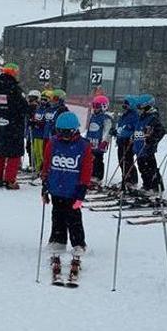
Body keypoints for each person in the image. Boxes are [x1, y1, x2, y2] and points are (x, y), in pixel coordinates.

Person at [42, 112, 94, 285]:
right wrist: (45, 186)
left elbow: (86, 170)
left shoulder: (83, 146)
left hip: (73, 189)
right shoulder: (53, 143)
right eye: (60, 131)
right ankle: (58, 240)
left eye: (66, 132)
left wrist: (82, 192)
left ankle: (78, 243)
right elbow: (47, 164)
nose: (63, 135)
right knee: (57, 214)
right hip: (56, 187)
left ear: (74, 130)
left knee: (73, 217)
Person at [0, 63, 28, 189]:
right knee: (14, 154)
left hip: (0, 124)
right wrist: (30, 108)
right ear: (13, 72)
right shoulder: (15, 88)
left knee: (0, 152)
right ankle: (10, 180)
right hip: (14, 125)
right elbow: (22, 107)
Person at [131, 94, 166, 192]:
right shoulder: (141, 117)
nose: (140, 110)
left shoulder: (153, 118)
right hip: (139, 147)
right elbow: (140, 131)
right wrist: (135, 136)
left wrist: (152, 139)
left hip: (148, 148)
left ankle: (155, 187)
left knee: (150, 168)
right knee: (142, 168)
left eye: (142, 108)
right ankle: (146, 185)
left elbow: (160, 131)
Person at [85, 95, 113, 187]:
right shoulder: (93, 116)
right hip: (91, 141)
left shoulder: (105, 118)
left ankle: (97, 177)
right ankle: (90, 175)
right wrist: (85, 139)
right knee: (90, 159)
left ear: (103, 107)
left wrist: (104, 141)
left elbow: (107, 131)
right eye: (94, 106)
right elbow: (89, 129)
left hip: (99, 142)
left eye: (97, 106)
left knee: (98, 159)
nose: (95, 108)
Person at [113, 95, 140, 188]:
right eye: (124, 104)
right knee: (121, 160)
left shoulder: (134, 116)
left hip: (128, 141)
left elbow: (136, 127)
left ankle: (131, 180)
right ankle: (125, 178)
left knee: (127, 160)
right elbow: (120, 127)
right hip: (121, 140)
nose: (124, 106)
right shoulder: (124, 115)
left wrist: (129, 131)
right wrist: (115, 132)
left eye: (126, 104)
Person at [28, 91, 53, 174]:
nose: (43, 101)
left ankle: (42, 169)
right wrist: (32, 121)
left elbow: (47, 121)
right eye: (42, 99)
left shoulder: (48, 110)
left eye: (45, 100)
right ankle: (37, 168)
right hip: (36, 133)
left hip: (43, 134)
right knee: (36, 152)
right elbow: (34, 117)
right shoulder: (38, 109)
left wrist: (39, 123)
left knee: (42, 153)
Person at [22, 90, 41, 171]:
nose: (31, 100)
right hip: (28, 130)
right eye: (30, 98)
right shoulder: (28, 107)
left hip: (36, 131)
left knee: (34, 148)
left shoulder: (38, 107)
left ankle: (36, 165)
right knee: (29, 147)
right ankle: (31, 163)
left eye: (33, 98)